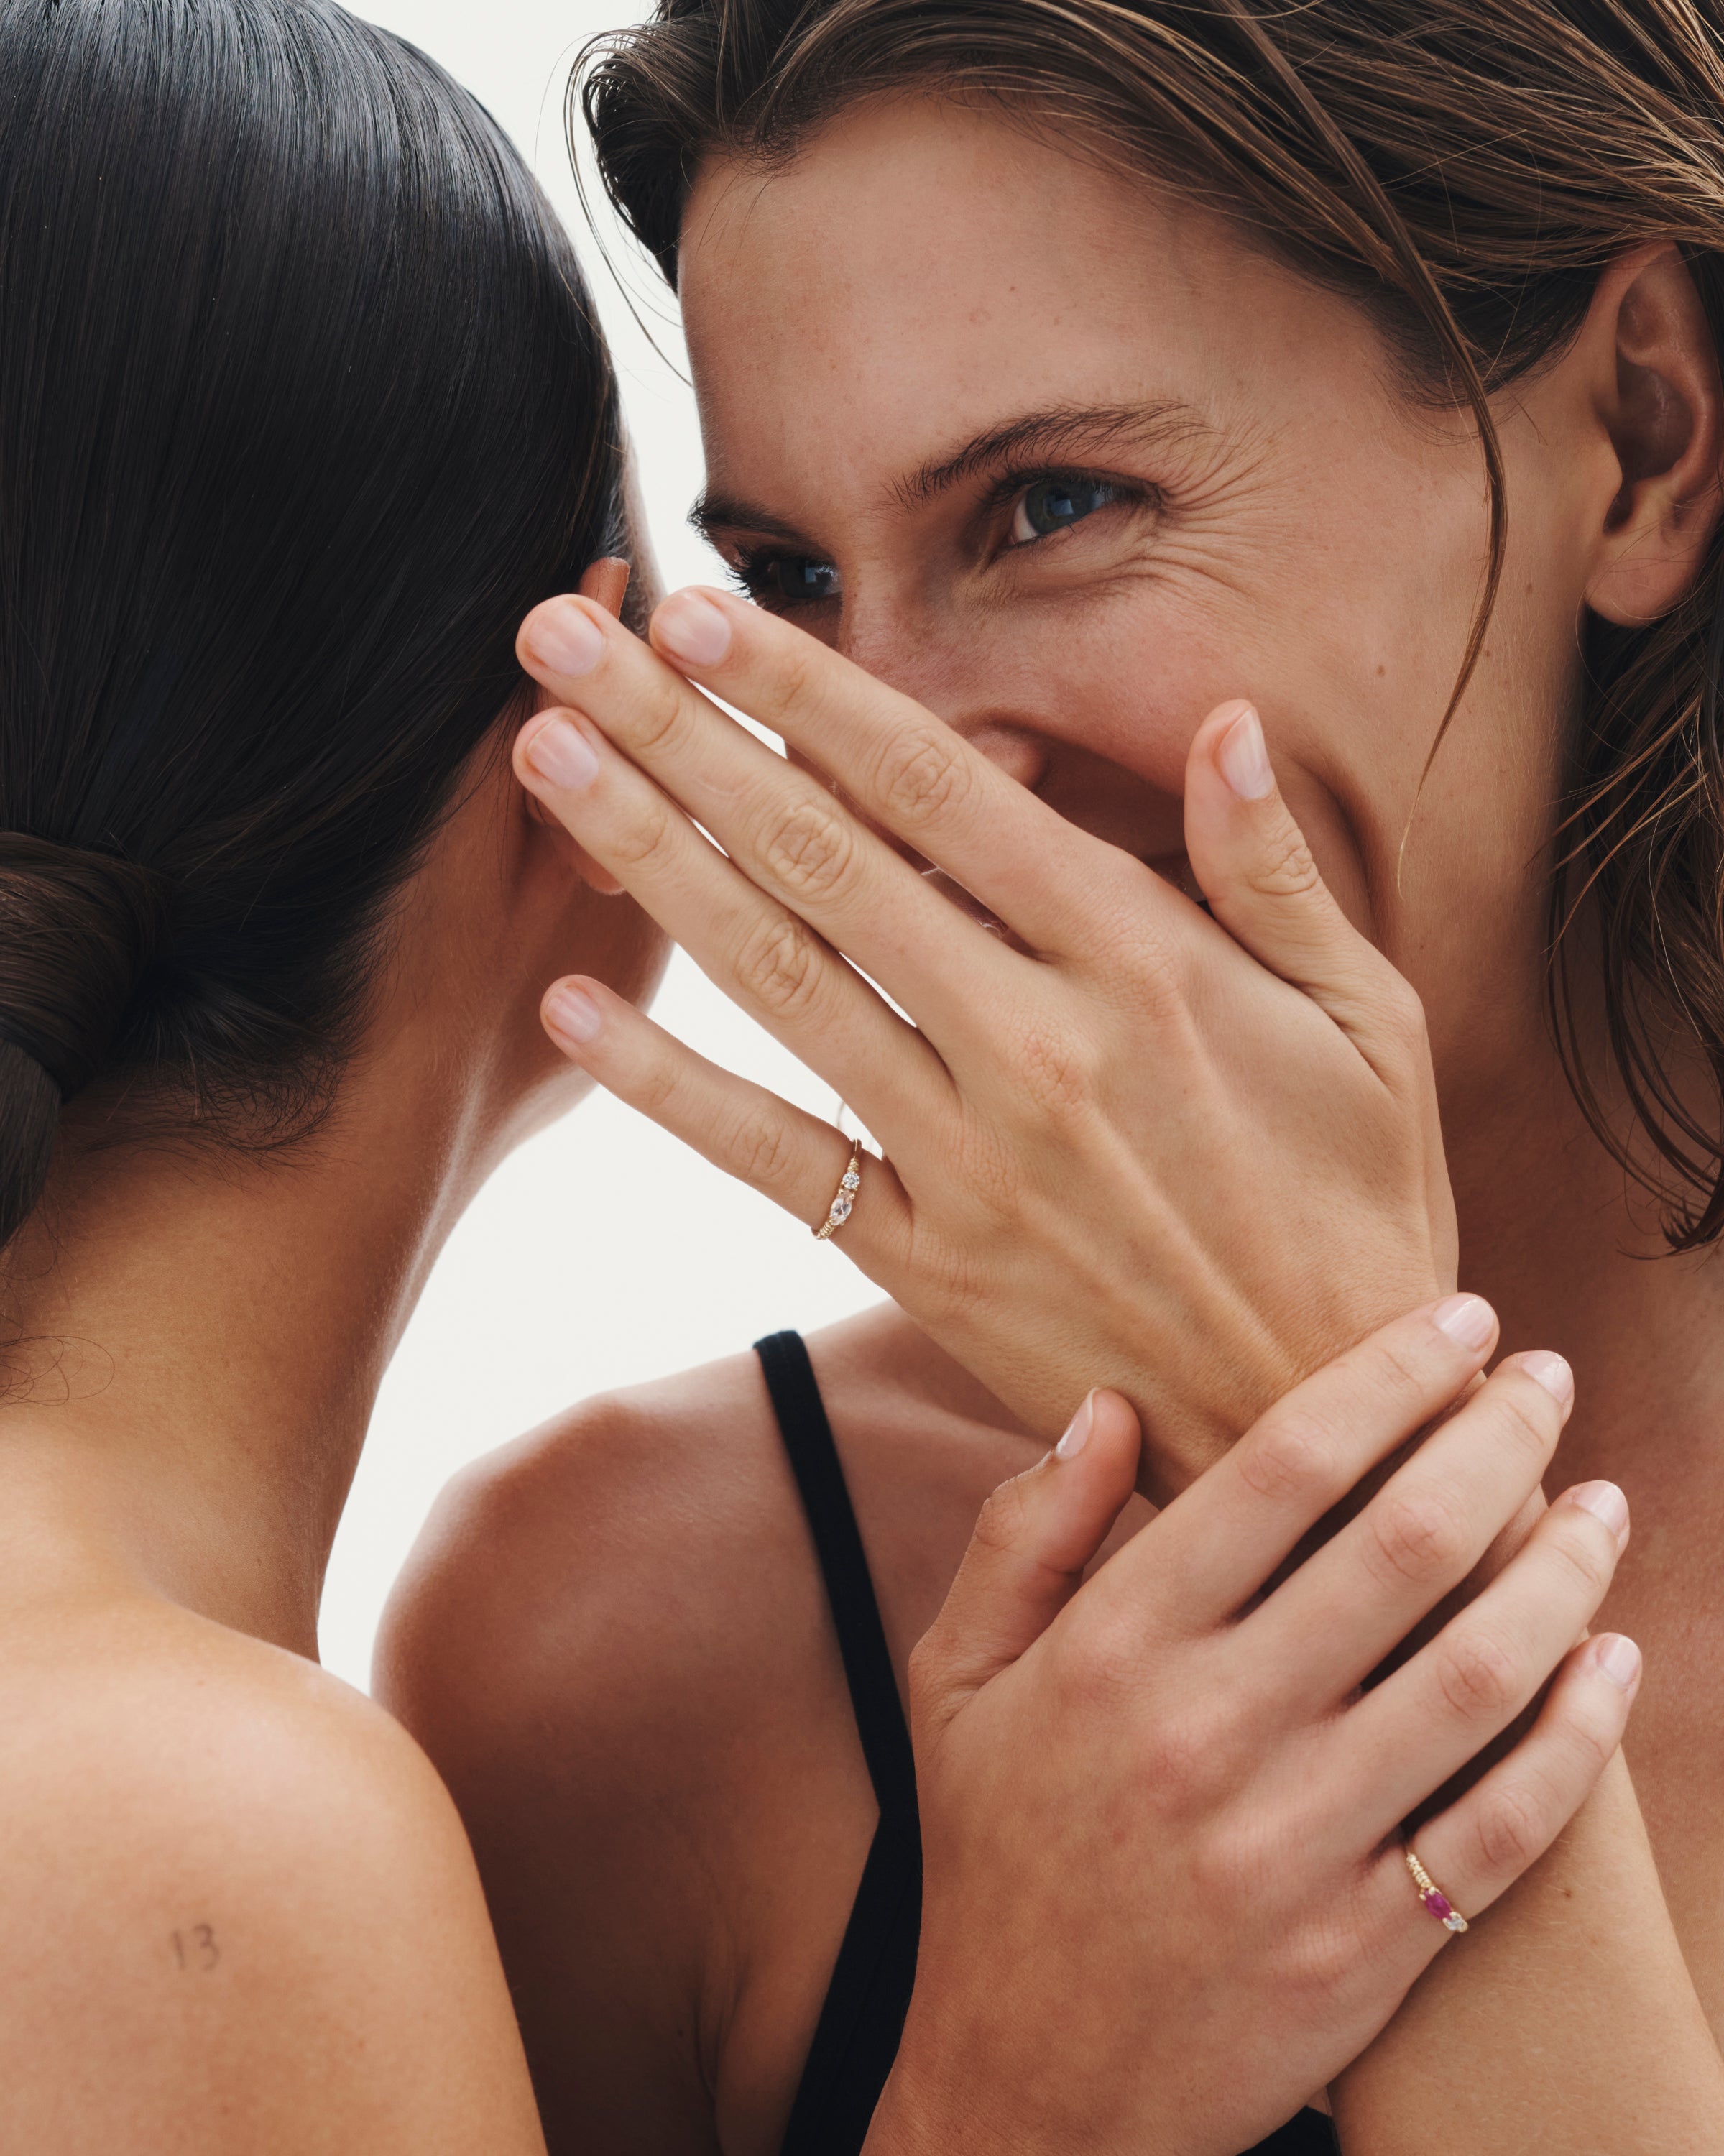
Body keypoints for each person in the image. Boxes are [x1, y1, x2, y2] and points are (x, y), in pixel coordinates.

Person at [0, 3, 1609, 2151]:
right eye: (775, 584)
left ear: (1648, 432)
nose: (898, 765)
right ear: (560, 762)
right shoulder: (586, 1679)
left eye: (1053, 505)